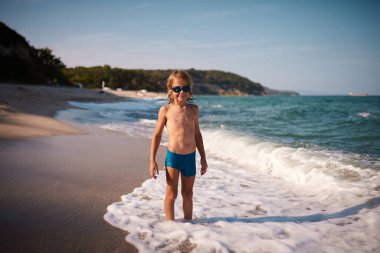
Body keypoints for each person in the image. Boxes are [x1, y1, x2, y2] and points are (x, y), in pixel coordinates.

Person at [149, 70, 208, 221]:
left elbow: (197, 135)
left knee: (188, 194)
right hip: (173, 158)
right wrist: (152, 160)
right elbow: (157, 135)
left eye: (185, 88)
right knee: (171, 193)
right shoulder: (166, 110)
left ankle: (188, 225)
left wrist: (203, 157)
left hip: (190, 158)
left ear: (190, 90)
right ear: (170, 91)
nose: (181, 92)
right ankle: (171, 226)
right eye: (177, 89)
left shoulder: (193, 110)